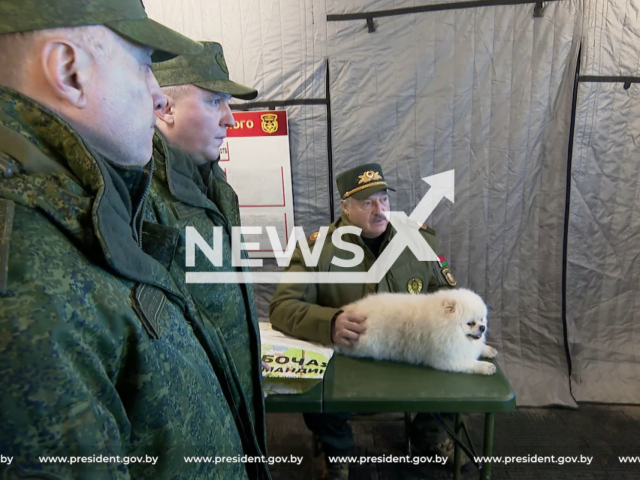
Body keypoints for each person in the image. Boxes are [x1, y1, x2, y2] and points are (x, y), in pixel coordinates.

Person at [0, 2, 266, 478]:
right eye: (144, 65)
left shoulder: (81, 208)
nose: (157, 96)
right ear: (69, 70)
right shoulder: (23, 265)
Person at [269, 163, 461, 479]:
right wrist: (328, 322)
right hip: (346, 359)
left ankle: (430, 435)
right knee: (311, 383)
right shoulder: (318, 248)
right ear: (345, 207)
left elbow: (447, 295)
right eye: (367, 202)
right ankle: (338, 450)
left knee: (456, 362)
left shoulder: (418, 240)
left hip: (410, 353)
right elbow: (281, 307)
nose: (379, 209)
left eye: (383, 199)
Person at [145, 42, 267, 459]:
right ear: (165, 108)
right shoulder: (140, 199)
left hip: (232, 399)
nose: (231, 119)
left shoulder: (216, 188)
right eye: (215, 101)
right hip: (188, 423)